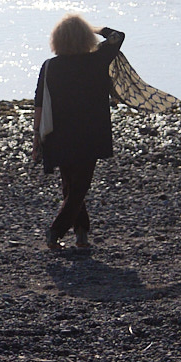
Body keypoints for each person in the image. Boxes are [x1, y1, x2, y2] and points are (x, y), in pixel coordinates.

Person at [34, 15, 124, 250]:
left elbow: (39, 103)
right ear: (86, 37)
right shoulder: (97, 59)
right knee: (77, 187)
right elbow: (117, 36)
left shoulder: (50, 66)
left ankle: (81, 234)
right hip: (90, 133)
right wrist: (91, 28)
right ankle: (56, 231)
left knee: (71, 186)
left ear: (57, 39)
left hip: (59, 134)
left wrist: (36, 137)